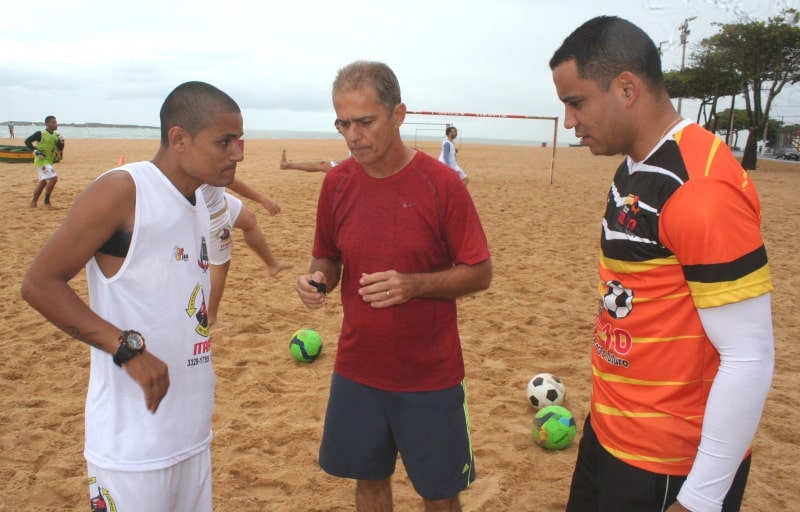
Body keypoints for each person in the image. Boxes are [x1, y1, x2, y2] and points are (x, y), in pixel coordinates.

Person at [549, 16, 774, 512]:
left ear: (627, 87)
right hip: (610, 434)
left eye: (576, 102)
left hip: (669, 463)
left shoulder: (701, 189)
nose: (569, 121)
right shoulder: (635, 164)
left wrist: (701, 497)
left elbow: (750, 356)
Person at [20, 81, 244, 512]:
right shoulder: (126, 189)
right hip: (132, 445)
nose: (237, 153)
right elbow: (40, 282)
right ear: (178, 139)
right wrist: (127, 348)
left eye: (239, 140)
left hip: (192, 434)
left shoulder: (205, 197)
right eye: (225, 142)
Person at [296, 60, 492, 512]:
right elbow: (328, 255)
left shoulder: (441, 185)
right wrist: (317, 280)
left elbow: (480, 272)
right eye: (342, 123)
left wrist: (414, 285)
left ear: (398, 114)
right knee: (368, 483)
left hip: (430, 375)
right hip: (357, 368)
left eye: (364, 122)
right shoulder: (336, 183)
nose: (352, 136)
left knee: (440, 494)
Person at [202, 178, 292, 326]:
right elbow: (231, 182)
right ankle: (210, 318)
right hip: (212, 211)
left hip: (215, 198)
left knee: (249, 219)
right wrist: (263, 199)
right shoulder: (208, 156)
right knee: (219, 265)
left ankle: (272, 264)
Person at [24, 115, 65, 207]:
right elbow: (27, 141)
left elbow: (59, 149)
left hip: (49, 161)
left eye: (56, 122)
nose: (56, 124)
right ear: (47, 124)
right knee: (54, 178)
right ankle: (46, 200)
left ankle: (33, 202)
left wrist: (62, 142)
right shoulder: (40, 133)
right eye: (53, 122)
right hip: (41, 161)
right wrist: (35, 150)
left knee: (43, 182)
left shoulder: (56, 135)